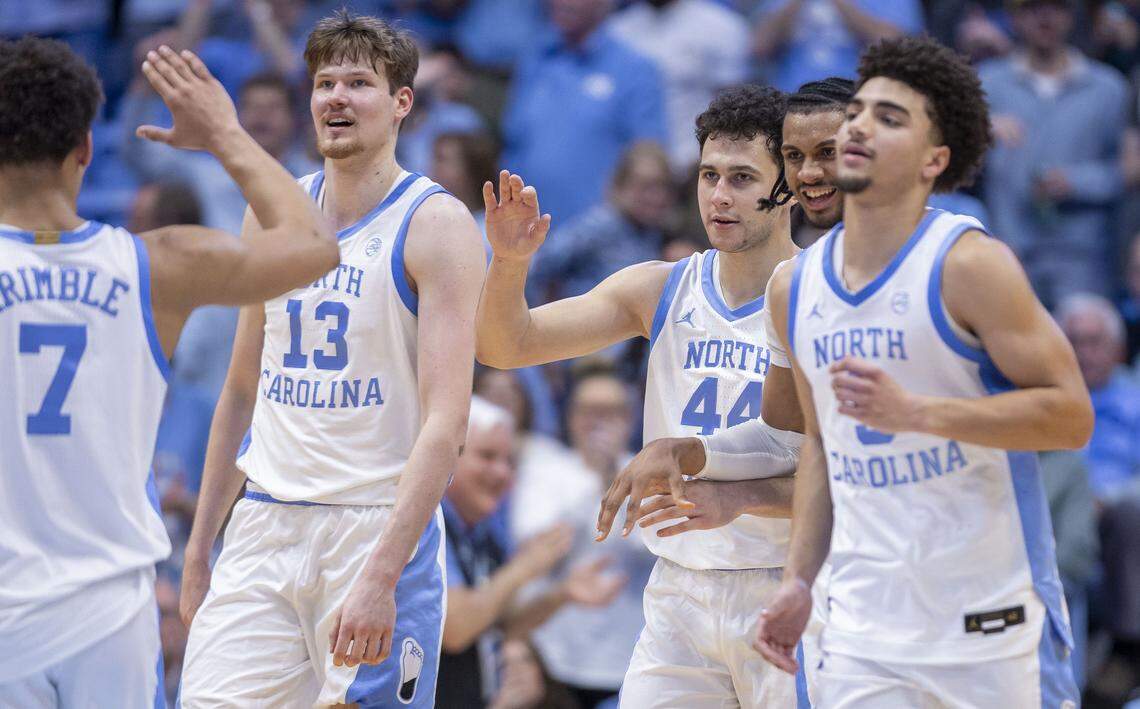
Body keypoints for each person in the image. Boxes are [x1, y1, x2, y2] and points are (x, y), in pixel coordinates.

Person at [755, 36, 1093, 706]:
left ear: (933, 160)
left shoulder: (969, 264)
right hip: (861, 631)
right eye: (858, 111)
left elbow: (1070, 416)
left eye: (889, 118)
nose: (859, 127)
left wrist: (919, 414)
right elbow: (822, 442)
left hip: (989, 628)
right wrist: (799, 578)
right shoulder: (793, 288)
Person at [0, 37, 337, 707]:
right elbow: (315, 245)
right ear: (86, 148)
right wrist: (224, 135)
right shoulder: (159, 265)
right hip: (109, 615)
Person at [177, 11, 486, 707]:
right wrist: (199, 549)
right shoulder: (274, 212)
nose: (336, 97)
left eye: (358, 82)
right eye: (324, 83)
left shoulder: (435, 223)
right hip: (264, 521)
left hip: (374, 524)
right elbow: (240, 389)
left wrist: (382, 574)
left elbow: (447, 425)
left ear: (401, 102)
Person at [477, 84, 803, 706]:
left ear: (788, 187)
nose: (719, 195)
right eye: (709, 175)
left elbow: (840, 476)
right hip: (680, 590)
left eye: (742, 178)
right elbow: (505, 346)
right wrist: (510, 263)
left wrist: (737, 496)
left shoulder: (819, 297)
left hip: (786, 585)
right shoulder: (659, 289)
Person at [438, 397, 622, 709]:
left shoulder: (484, 533)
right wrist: (525, 567)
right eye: (487, 456)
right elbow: (456, 628)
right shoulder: (430, 525)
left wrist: (562, 594)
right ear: (448, 457)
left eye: (510, 461)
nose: (501, 472)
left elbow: (501, 624)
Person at [978, 0, 1129, 308]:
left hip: (1082, 256)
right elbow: (950, 164)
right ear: (1015, 17)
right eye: (1032, 7)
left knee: (1083, 336)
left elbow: (1126, 172)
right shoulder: (987, 82)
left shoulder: (1108, 88)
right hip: (1006, 247)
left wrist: (1076, 182)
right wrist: (979, 134)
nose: (1045, 17)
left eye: (1056, 7)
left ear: (1071, 16)